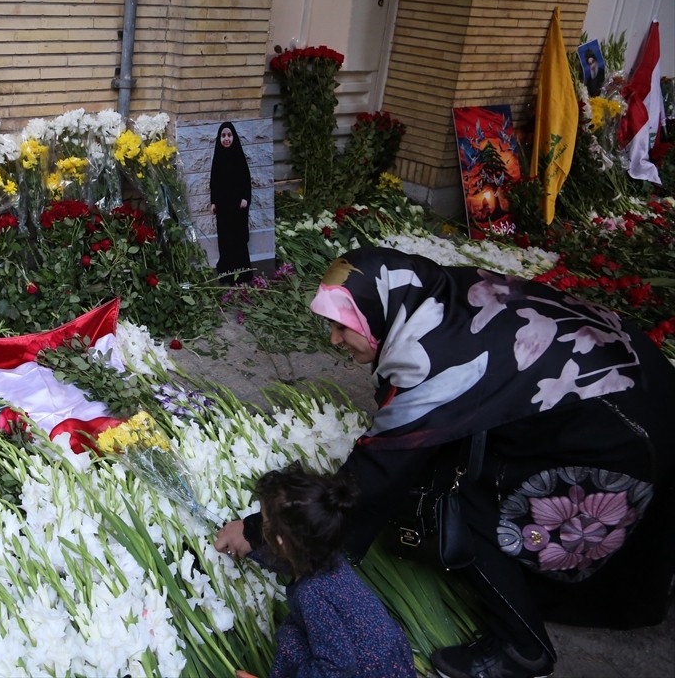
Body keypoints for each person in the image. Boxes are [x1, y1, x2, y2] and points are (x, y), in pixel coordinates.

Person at [215, 246, 675, 678]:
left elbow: (372, 477)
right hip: (635, 385)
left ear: (380, 313)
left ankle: (523, 647)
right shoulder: (429, 296)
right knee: (442, 469)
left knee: (461, 506)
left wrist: (262, 532)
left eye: (342, 326)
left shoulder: (430, 358)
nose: (334, 339)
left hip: (621, 431)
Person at [242, 465, 415, 678]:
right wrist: (251, 547)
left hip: (368, 671)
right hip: (389, 658)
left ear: (280, 541)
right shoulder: (328, 557)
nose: (261, 523)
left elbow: (338, 666)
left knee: (291, 641)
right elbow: (286, 560)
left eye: (264, 520)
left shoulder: (311, 594)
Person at [209, 121, 253, 284]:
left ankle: (242, 272)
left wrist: (245, 198)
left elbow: (246, 180)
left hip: (238, 207)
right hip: (223, 207)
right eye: (223, 136)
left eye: (229, 135)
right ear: (219, 138)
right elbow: (214, 182)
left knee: (238, 239)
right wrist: (213, 202)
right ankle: (227, 272)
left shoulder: (239, 157)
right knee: (225, 239)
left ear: (233, 137)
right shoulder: (218, 158)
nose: (226, 139)